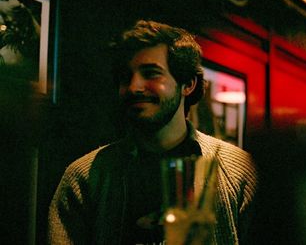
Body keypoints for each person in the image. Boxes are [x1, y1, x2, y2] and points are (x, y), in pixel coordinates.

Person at [47, 20, 257, 244]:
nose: (134, 86)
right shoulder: (85, 177)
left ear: (188, 84)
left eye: (151, 73)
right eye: (125, 77)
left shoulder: (239, 172)